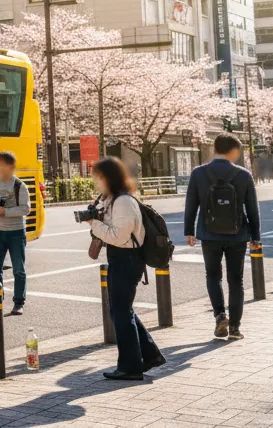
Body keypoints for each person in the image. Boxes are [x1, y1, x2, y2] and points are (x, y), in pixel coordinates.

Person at [85, 157, 165, 381]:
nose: (95, 182)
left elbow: (119, 236)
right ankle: (148, 355)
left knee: (120, 312)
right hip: (121, 257)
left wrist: (94, 224)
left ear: (108, 178)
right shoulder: (113, 200)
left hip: (127, 258)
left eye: (98, 177)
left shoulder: (122, 202)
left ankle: (130, 367)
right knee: (121, 310)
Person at [184, 132, 261, 340]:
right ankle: (235, 328)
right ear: (234, 151)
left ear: (214, 149)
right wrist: (256, 237)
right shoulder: (243, 175)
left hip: (209, 234)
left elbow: (191, 205)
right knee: (236, 280)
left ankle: (220, 316)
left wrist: (189, 231)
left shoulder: (199, 174)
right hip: (238, 235)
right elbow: (252, 209)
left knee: (213, 276)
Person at [0, 151, 31, 315]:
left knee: (19, 268)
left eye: (1, 164)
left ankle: (19, 302)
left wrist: (5, 211)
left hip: (16, 232)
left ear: (10, 167)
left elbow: (26, 208)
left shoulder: (19, 185)